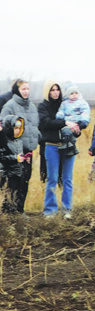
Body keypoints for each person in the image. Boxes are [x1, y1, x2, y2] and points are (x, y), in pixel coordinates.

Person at [38, 80, 77, 217]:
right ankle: (50, 210)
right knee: (52, 178)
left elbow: (75, 120)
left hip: (69, 146)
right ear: (47, 92)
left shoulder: (67, 104)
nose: (55, 92)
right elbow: (46, 123)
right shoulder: (43, 107)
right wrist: (64, 122)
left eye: (57, 89)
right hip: (52, 146)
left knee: (67, 179)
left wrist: (77, 129)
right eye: (52, 90)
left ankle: (67, 209)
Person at [1, 79, 39, 214]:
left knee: (25, 181)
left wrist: (36, 138)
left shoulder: (32, 106)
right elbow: (4, 127)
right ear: (17, 90)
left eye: (28, 89)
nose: (26, 91)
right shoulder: (10, 106)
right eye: (23, 89)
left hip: (28, 150)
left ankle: (19, 210)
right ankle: (8, 211)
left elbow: (35, 127)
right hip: (16, 150)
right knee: (14, 181)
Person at [0, 116, 29, 213]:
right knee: (8, 197)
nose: (18, 131)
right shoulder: (3, 141)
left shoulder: (19, 140)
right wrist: (15, 158)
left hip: (18, 172)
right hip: (8, 174)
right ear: (9, 128)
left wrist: (25, 158)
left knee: (19, 195)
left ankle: (19, 213)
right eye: (15, 128)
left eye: (20, 128)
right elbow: (2, 157)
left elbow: (19, 154)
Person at [55, 85, 91, 154]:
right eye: (72, 94)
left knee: (72, 133)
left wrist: (84, 121)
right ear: (68, 95)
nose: (74, 95)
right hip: (67, 121)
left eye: (76, 93)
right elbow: (61, 110)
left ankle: (71, 147)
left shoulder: (82, 102)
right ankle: (67, 146)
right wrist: (60, 115)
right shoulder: (64, 103)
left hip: (77, 121)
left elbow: (85, 112)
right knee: (64, 131)